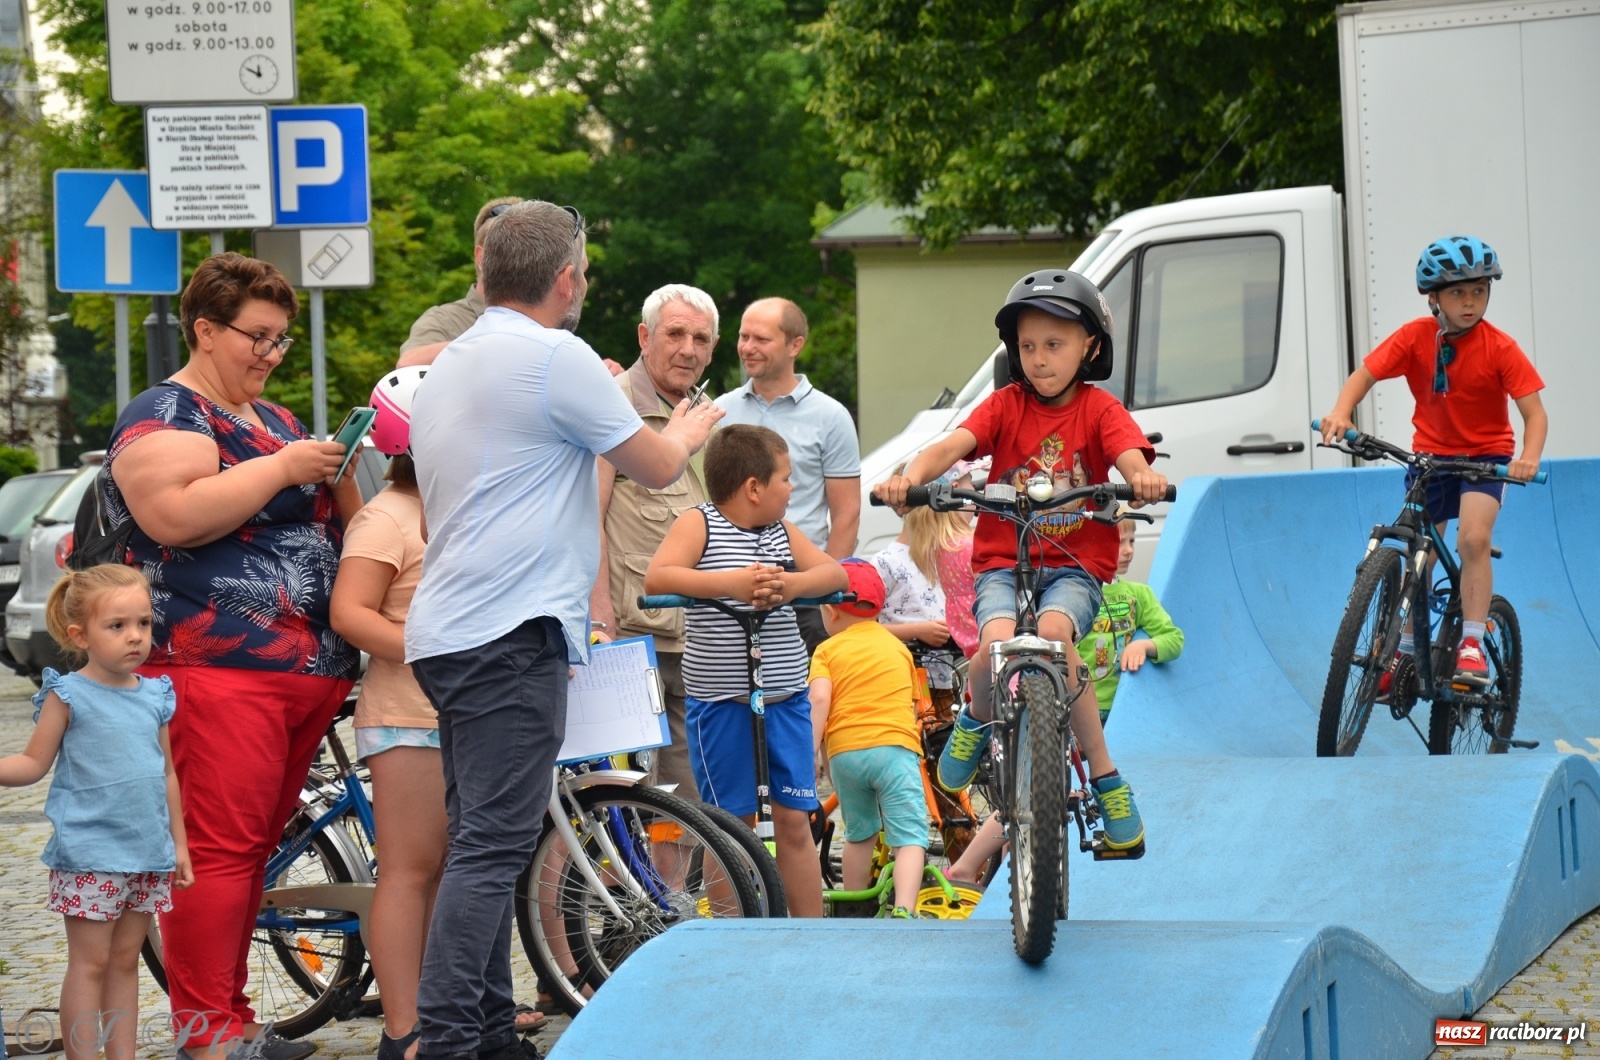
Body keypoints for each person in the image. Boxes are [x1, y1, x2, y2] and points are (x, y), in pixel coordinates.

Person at [404, 201, 722, 1060]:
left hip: (452, 628)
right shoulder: (555, 354)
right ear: (567, 280)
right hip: (509, 632)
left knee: (487, 837)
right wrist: (687, 424)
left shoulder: (458, 360)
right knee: (493, 845)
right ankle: (447, 1043)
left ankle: (484, 1032)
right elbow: (654, 466)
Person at [102, 252, 361, 1060]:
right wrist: (284, 468)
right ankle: (208, 1033)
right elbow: (172, 515)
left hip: (299, 676)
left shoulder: (273, 419)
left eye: (282, 340)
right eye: (258, 336)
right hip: (214, 670)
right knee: (216, 851)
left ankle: (234, 1018)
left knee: (247, 852)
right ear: (206, 330)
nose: (271, 353)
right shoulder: (168, 412)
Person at [874, 268, 1166, 853]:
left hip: (1074, 564)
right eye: (1027, 347)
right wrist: (909, 477)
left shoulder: (1099, 409)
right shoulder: (1004, 405)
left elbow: (1128, 454)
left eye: (1054, 345)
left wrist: (1142, 478)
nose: (1038, 359)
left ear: (1091, 347)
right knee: (993, 645)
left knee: (1056, 641)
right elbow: (951, 446)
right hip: (1003, 561)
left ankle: (1106, 777)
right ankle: (976, 719)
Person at [1319, 235, 1546, 686]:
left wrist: (1528, 457)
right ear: (1433, 298)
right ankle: (1404, 651)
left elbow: (1534, 413)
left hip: (1486, 458)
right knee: (1417, 552)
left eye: (1479, 291)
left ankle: (1473, 642)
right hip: (1432, 458)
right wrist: (1341, 413)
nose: (1470, 302)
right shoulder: (1414, 337)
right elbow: (1363, 376)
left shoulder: (1500, 347)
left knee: (1473, 541)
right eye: (1458, 292)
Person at [644, 424, 847, 917]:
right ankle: (737, 941)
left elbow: (835, 573)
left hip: (784, 701)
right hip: (722, 706)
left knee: (796, 820)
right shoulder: (701, 524)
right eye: (785, 479)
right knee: (728, 827)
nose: (792, 488)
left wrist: (793, 587)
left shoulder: (783, 533)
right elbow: (659, 576)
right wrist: (729, 584)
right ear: (754, 488)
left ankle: (808, 940)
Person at [0, 565, 192, 1060]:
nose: (135, 637)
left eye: (144, 624)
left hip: (146, 853)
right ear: (79, 636)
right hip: (90, 854)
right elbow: (31, 763)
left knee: (126, 961)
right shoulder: (68, 694)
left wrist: (180, 845)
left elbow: (166, 773)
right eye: (118, 626)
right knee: (89, 964)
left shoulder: (154, 694)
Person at [946, 512, 1183, 885]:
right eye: (1119, 541)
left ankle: (1104, 781)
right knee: (1024, 781)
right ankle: (973, 725)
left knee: (1050, 788)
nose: (1126, 551)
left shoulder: (1135, 595)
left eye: (1131, 541)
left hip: (1094, 712)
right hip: (1037, 677)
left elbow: (1174, 638)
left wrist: (1146, 644)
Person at [591, 284, 721, 799]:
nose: (688, 349)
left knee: (687, 796)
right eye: (675, 334)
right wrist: (599, 620)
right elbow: (588, 518)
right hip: (630, 635)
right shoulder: (610, 405)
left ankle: (672, 884)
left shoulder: (709, 413)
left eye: (701, 338)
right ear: (644, 337)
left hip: (703, 635)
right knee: (622, 792)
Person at [715, 298, 860, 651]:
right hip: (730, 580)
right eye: (743, 336)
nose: (747, 348)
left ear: (795, 345)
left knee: (806, 697)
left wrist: (826, 590)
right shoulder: (720, 411)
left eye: (761, 339)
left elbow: (847, 514)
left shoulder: (831, 416)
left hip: (803, 589)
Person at [808, 559, 929, 920]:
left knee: (859, 833)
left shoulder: (826, 651)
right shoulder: (898, 649)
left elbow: (818, 701)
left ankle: (854, 907)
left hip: (846, 756)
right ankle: (905, 909)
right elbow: (911, 707)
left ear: (830, 610)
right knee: (909, 837)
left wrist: (810, 755)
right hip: (894, 749)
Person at [397, 196, 619, 377]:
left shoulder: (550, 313)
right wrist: (499, 341)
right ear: (482, 257)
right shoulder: (444, 319)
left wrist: (597, 374)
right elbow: (407, 367)